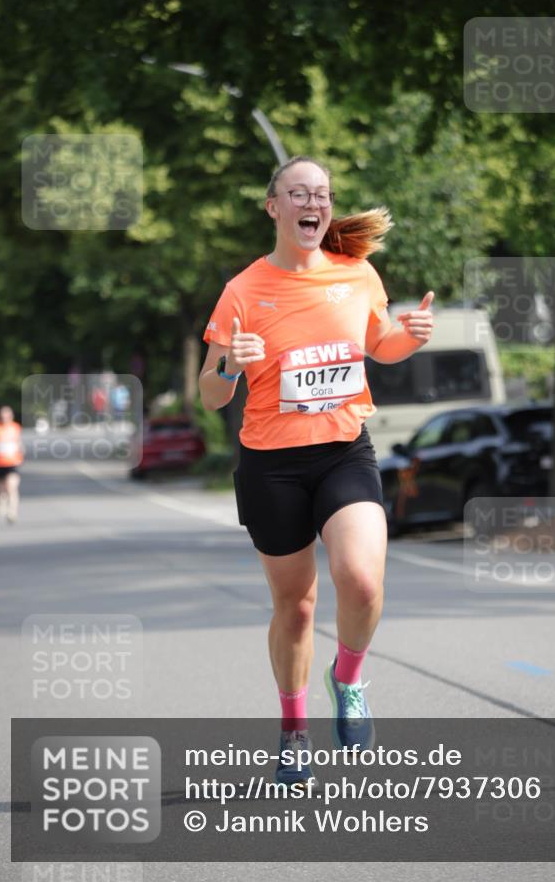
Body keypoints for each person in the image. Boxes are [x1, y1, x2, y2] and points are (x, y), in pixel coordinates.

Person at [199, 156, 433, 787]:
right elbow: (211, 395)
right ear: (273, 206)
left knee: (361, 580)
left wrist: (410, 336)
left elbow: (379, 345)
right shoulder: (243, 290)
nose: (313, 203)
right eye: (298, 193)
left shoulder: (357, 274)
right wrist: (230, 367)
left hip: (343, 450)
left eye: (322, 193)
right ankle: (294, 730)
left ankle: (348, 680)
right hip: (271, 465)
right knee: (297, 608)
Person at [0, 406, 24, 523]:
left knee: (12, 487)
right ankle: (2, 506)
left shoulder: (15, 427)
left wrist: (21, 451)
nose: (5, 418)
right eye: (2, 416)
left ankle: (12, 512)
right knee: (2, 489)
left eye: (7, 415)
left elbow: (18, 442)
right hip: (0, 463)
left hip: (12, 462)